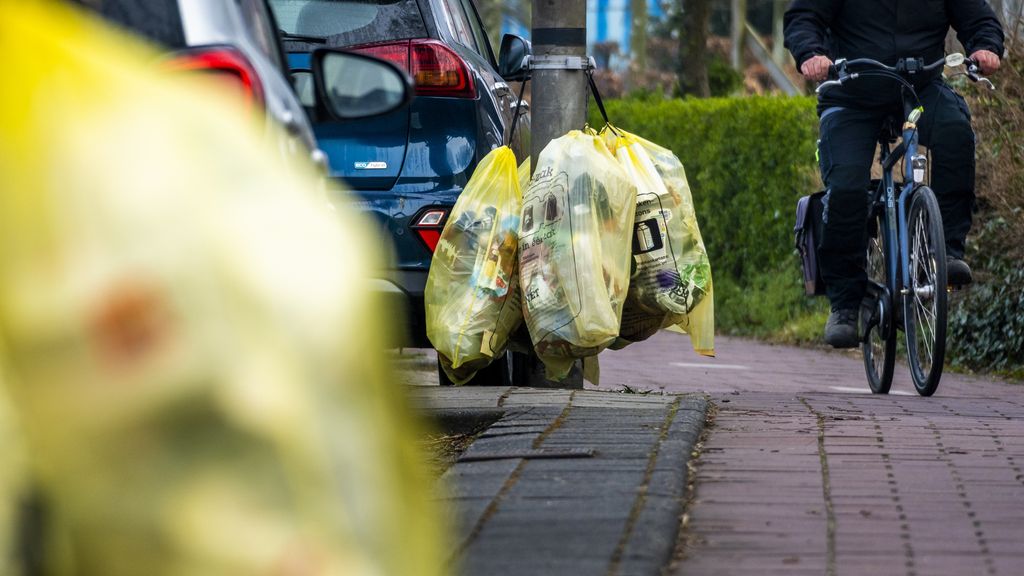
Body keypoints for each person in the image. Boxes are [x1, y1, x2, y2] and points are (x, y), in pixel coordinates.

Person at [784, 0, 1004, 348]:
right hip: (850, 91)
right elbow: (804, 17)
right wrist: (811, 53)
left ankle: (945, 251)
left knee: (955, 134)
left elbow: (979, 20)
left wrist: (985, 48)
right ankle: (845, 303)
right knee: (846, 188)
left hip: (919, 88)